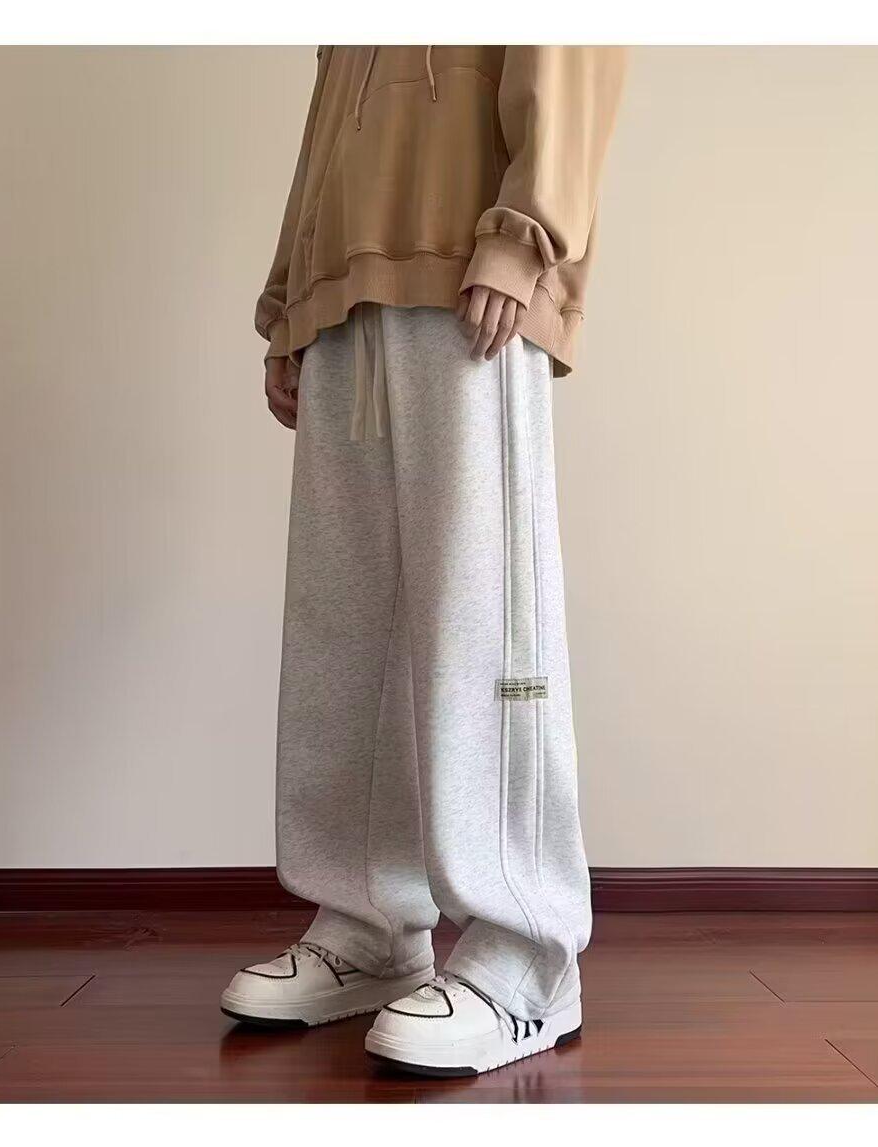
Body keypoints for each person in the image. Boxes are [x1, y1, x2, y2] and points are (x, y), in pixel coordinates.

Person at [221, 44, 627, 1078]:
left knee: (483, 623)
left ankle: (528, 954)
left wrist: (526, 234)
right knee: (345, 626)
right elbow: (334, 108)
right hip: (345, 287)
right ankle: (370, 925)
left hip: (473, 273)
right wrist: (291, 296)